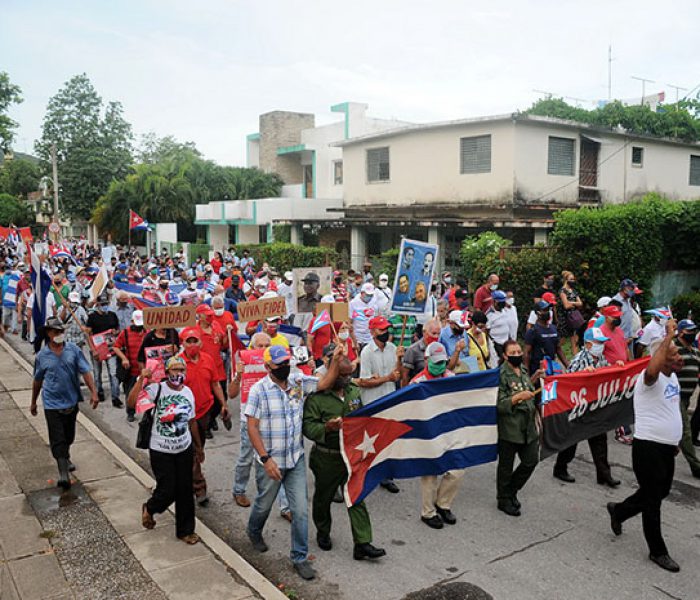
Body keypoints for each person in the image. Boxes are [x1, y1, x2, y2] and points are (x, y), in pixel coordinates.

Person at [606, 321, 684, 573]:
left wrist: (675, 440)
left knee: (659, 493)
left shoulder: (674, 380)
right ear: (660, 357)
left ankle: (619, 511)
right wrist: (669, 336)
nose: (679, 357)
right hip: (647, 447)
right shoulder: (647, 379)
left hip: (665, 448)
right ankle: (657, 551)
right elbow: (653, 368)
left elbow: (671, 409)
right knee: (653, 500)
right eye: (673, 354)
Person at [245, 346, 321, 581]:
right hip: (271, 462)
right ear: (268, 367)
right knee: (264, 504)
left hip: (295, 458)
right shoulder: (259, 391)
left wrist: (337, 360)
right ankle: (254, 530)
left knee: (299, 511)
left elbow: (323, 383)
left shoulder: (297, 382)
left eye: (287, 362)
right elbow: (252, 427)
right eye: (280, 364)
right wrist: (266, 459)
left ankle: (299, 557)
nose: (285, 367)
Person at [303, 350, 387, 560]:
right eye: (342, 375)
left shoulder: (353, 391)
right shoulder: (316, 396)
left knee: (356, 497)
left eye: (349, 374)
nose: (347, 379)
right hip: (326, 458)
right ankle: (323, 531)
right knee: (323, 499)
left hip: (351, 455)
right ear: (332, 373)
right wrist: (327, 428)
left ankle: (362, 543)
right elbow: (308, 428)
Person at [129, 356, 203, 545]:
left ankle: (185, 530)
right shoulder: (156, 389)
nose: (178, 374)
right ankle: (151, 508)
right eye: (174, 370)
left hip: (183, 448)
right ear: (167, 372)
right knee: (168, 489)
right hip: (161, 449)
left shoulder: (188, 392)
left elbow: (191, 421)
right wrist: (141, 379)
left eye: (181, 370)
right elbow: (131, 403)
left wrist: (198, 446)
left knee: (185, 490)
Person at [30, 317, 98, 489]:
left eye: (61, 331)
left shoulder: (73, 350)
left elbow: (86, 371)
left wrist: (94, 392)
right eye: (56, 332)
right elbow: (37, 381)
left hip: (71, 401)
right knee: (57, 438)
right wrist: (33, 402)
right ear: (48, 333)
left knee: (68, 436)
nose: (59, 335)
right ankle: (63, 474)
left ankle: (65, 457)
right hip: (52, 403)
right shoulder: (42, 356)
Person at [552, 327, 622, 487]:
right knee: (571, 440)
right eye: (599, 343)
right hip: (578, 407)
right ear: (589, 345)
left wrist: (616, 367)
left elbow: (606, 375)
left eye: (603, 343)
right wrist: (583, 374)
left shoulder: (601, 358)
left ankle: (604, 474)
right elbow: (567, 383)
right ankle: (560, 468)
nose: (602, 346)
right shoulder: (579, 361)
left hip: (595, 406)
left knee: (600, 440)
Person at [410, 342, 465, 529]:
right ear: (426, 360)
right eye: (436, 361)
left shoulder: (451, 377)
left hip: (449, 430)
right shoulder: (417, 383)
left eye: (443, 361)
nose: (440, 365)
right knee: (430, 474)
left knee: (457, 470)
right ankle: (428, 512)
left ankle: (443, 504)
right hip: (428, 433)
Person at [180, 327, 229, 506]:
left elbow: (215, 383)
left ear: (200, 342)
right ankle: (199, 487)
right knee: (193, 452)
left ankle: (191, 481)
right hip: (184, 417)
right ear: (182, 343)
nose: (192, 345)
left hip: (204, 412)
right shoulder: (178, 363)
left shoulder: (208, 359)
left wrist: (223, 404)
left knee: (198, 449)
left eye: (195, 341)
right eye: (188, 341)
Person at [496, 339, 542, 516]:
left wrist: (535, 377)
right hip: (510, 427)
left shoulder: (522, 369)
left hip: (528, 426)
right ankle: (503, 499)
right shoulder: (501, 374)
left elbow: (527, 387)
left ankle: (511, 490)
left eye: (518, 352)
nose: (517, 355)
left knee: (531, 460)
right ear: (505, 356)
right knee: (506, 467)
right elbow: (500, 404)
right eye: (513, 353)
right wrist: (517, 398)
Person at [358, 316, 403, 493]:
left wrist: (399, 359)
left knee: (389, 439)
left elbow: (397, 374)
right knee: (372, 440)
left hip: (389, 398)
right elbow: (364, 381)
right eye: (381, 329)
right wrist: (387, 378)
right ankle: (368, 472)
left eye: (386, 329)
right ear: (372, 331)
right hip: (373, 401)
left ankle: (386, 475)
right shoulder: (367, 352)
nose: (385, 332)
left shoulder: (392, 348)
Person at [673, 319, 700, 478]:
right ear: (681, 331)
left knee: (678, 430)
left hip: (687, 396)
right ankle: (696, 466)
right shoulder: (674, 348)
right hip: (675, 396)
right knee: (685, 431)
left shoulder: (695, 351)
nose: (693, 333)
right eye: (689, 330)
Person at [87, 293, 122, 407]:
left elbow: (118, 330)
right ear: (97, 304)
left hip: (111, 348)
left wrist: (115, 332)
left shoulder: (112, 315)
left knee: (113, 373)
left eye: (106, 304)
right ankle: (99, 392)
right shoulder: (92, 317)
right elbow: (88, 334)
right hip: (97, 349)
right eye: (102, 304)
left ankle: (115, 397)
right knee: (97, 374)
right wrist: (93, 350)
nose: (104, 306)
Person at [113, 310, 147, 422]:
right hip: (131, 370)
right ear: (132, 321)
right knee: (130, 392)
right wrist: (123, 358)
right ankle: (130, 412)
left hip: (145, 370)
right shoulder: (125, 333)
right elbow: (116, 347)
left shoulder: (148, 332)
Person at [523, 300, 569, 376]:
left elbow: (558, 349)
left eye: (548, 310)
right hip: (538, 369)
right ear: (538, 313)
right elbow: (526, 353)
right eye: (544, 310)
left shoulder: (553, 328)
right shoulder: (533, 331)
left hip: (551, 367)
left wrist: (568, 365)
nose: (548, 312)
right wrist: (527, 374)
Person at [402, 318, 441, 385]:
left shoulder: (440, 348)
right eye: (433, 333)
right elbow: (405, 377)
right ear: (424, 333)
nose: (436, 336)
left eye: (438, 334)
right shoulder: (413, 350)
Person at [557, 270, 584, 354]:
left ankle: (575, 357)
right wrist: (575, 304)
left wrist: (572, 303)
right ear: (566, 280)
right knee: (562, 339)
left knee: (575, 337)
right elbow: (566, 306)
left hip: (573, 317)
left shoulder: (573, 291)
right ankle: (554, 353)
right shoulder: (562, 291)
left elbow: (580, 303)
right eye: (571, 279)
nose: (573, 281)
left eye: (573, 279)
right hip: (565, 317)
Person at [487, 290, 515, 359]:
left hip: (506, 342)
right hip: (496, 344)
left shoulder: (504, 311)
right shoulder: (489, 315)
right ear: (494, 301)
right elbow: (486, 331)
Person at [349, 282, 379, 348]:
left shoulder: (374, 302)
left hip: (370, 338)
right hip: (357, 337)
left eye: (371, 295)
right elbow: (349, 323)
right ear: (362, 293)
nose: (369, 297)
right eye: (368, 295)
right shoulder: (353, 303)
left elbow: (376, 319)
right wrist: (354, 341)